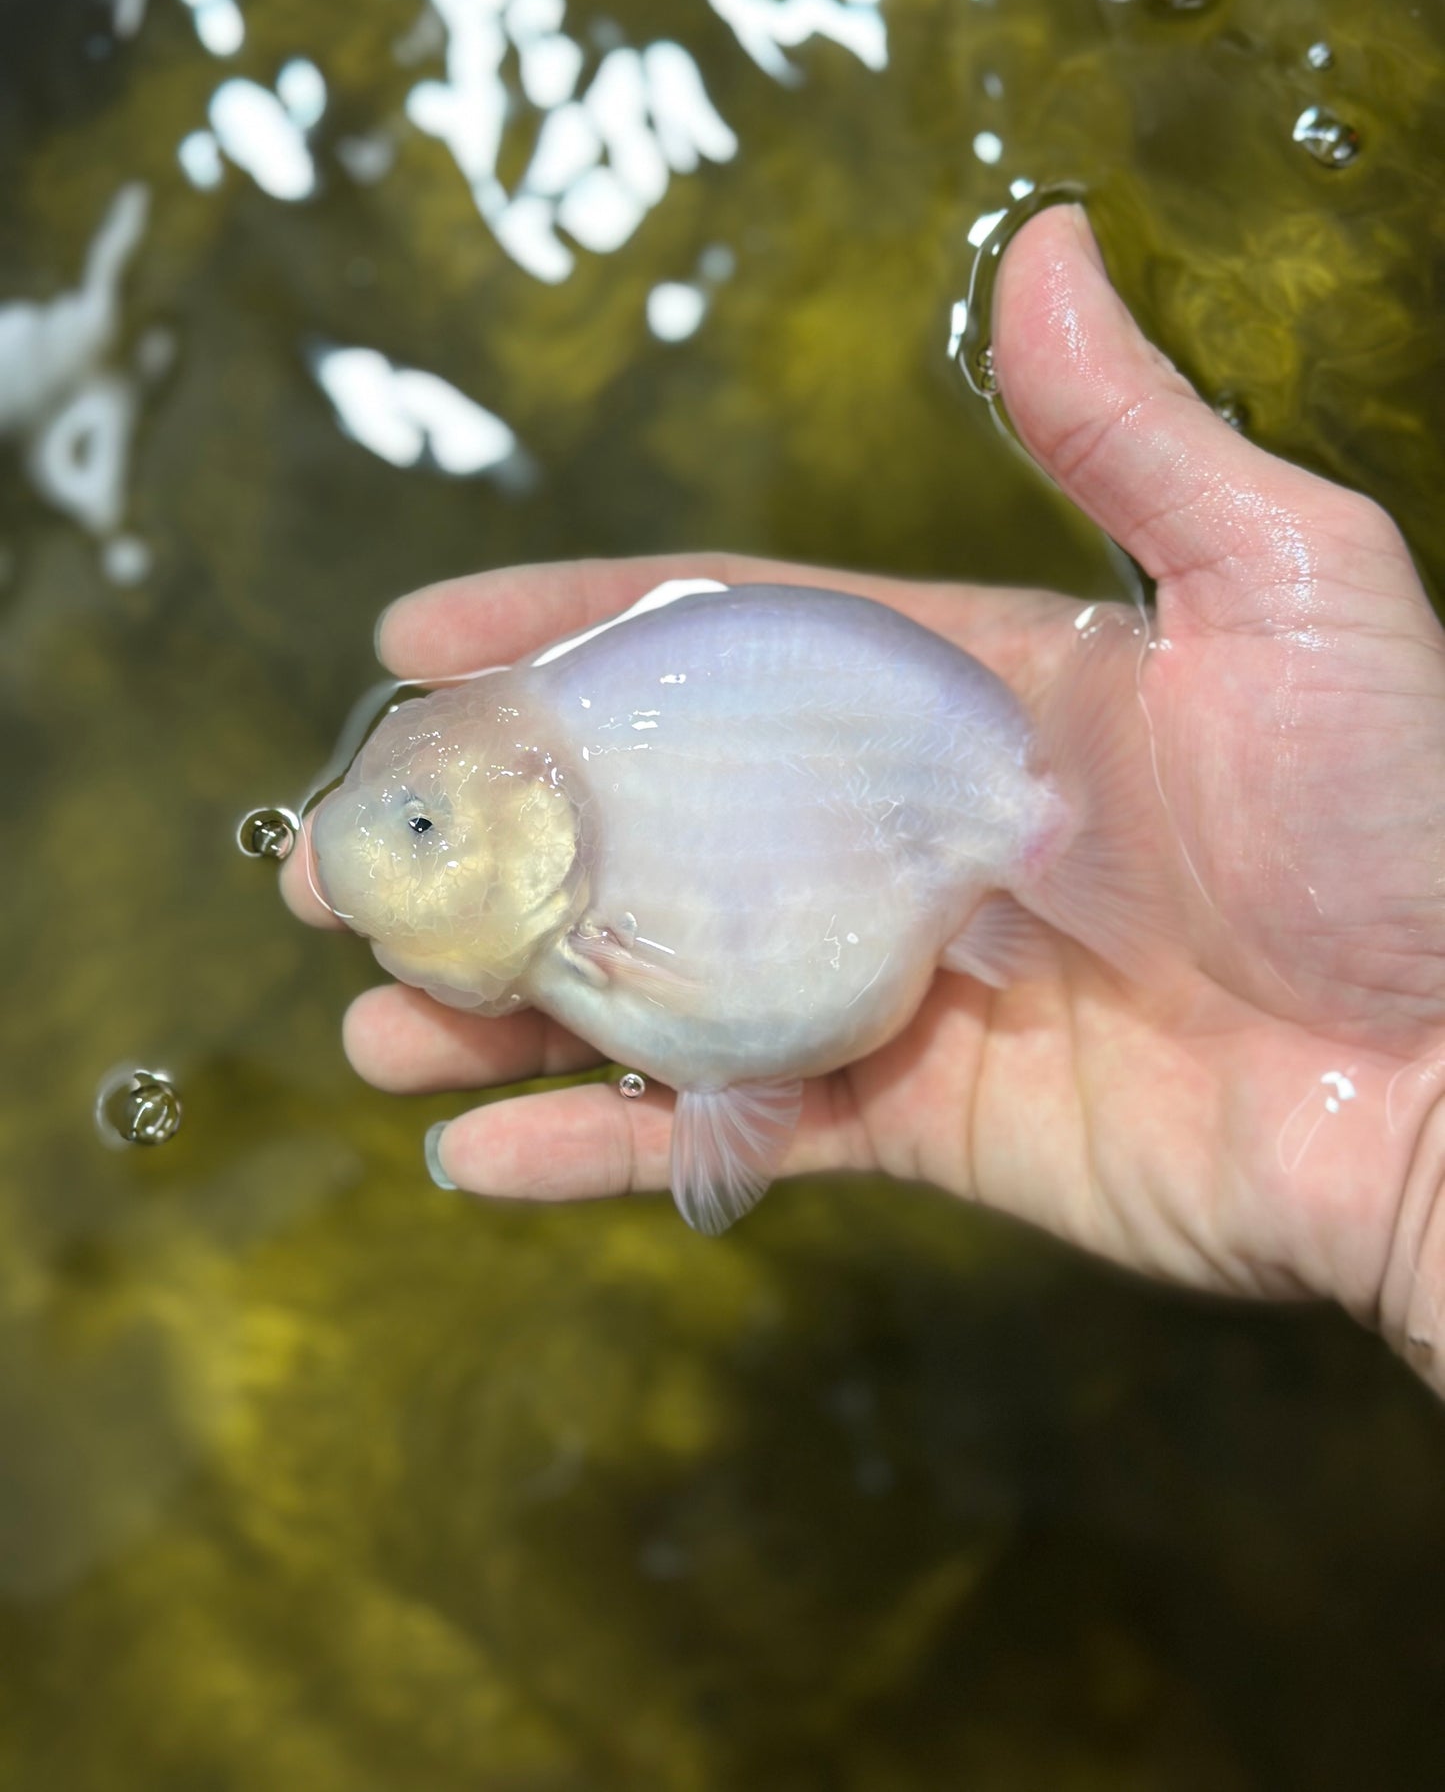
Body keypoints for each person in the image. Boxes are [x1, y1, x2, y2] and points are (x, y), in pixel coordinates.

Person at [283, 204, 1445, 1400]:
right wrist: (1409, 1178)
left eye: (426, 827)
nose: (392, 845)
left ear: (538, 824)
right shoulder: (570, 871)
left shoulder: (591, 880)